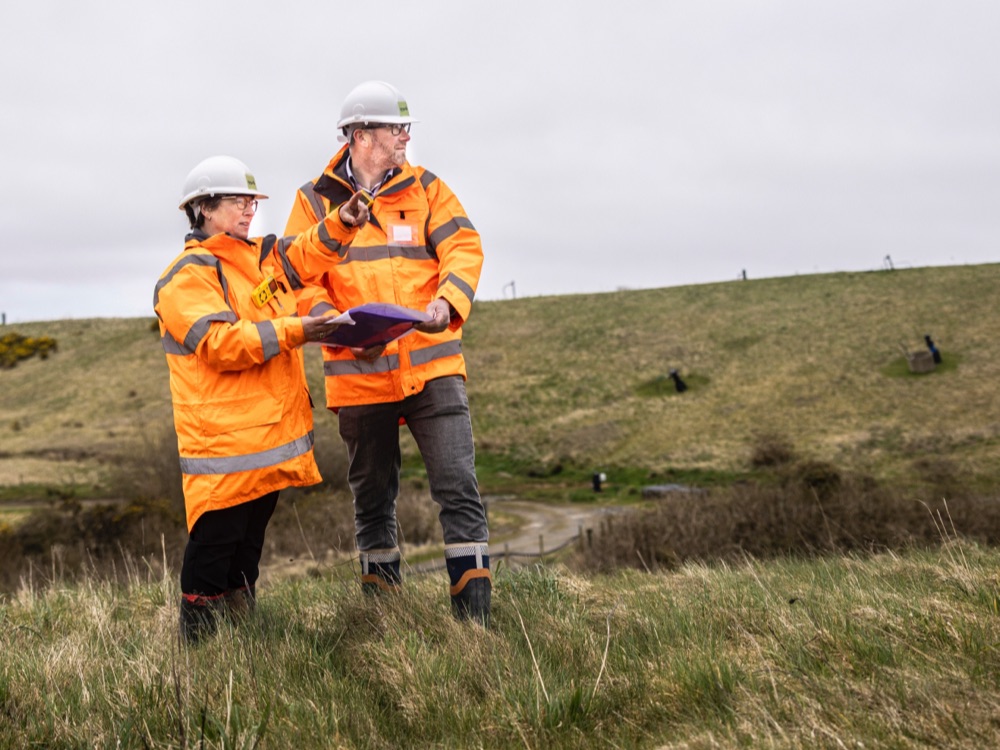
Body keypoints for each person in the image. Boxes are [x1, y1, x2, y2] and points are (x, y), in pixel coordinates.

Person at [283, 81, 491, 625]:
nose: (404, 137)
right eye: (393, 128)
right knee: (373, 503)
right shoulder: (312, 202)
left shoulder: (429, 188)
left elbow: (464, 248)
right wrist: (329, 316)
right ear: (358, 135)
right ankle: (384, 625)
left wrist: (449, 299)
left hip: (433, 366)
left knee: (458, 488)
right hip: (359, 375)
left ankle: (476, 628)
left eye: (405, 129)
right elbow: (295, 275)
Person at [154, 155, 369, 643]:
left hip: (264, 446)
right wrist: (299, 329)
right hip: (224, 451)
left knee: (246, 552)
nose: (250, 209)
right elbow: (222, 345)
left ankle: (240, 649)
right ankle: (201, 657)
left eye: (252, 201)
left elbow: (307, 252)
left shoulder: (260, 259)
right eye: (237, 201)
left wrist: (343, 221)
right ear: (203, 209)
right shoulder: (187, 276)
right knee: (213, 551)